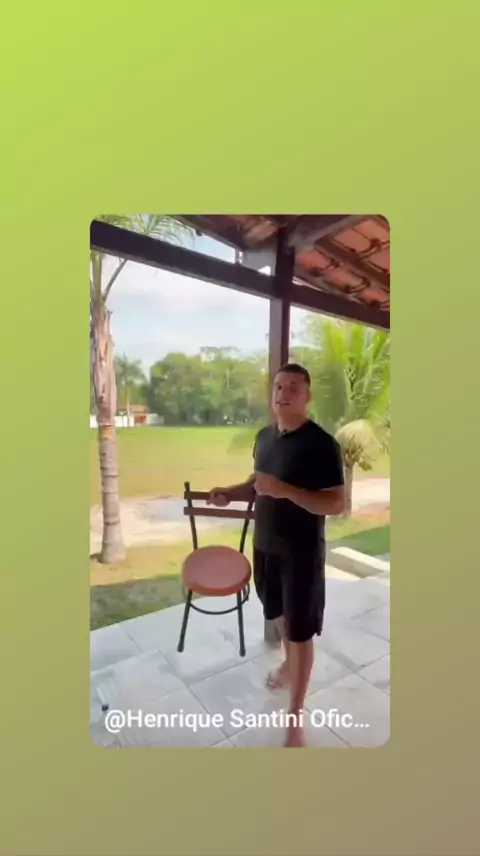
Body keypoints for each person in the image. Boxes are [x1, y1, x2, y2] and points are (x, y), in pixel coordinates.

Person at [208, 363, 345, 748]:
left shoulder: (322, 445)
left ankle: (296, 717)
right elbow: (259, 483)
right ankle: (288, 664)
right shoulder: (265, 437)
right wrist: (231, 492)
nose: (283, 393)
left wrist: (285, 490)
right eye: (279, 386)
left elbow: (336, 504)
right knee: (281, 617)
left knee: (300, 632)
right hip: (266, 545)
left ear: (307, 397)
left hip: (301, 553)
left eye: (293, 388)